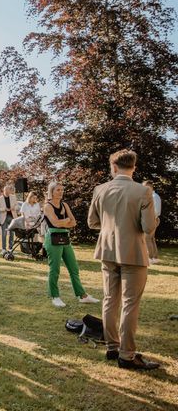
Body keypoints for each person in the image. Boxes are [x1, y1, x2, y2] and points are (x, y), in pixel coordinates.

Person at [88, 149, 159, 370]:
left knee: (110, 299)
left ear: (114, 167)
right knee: (130, 304)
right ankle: (126, 355)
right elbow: (148, 228)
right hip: (133, 254)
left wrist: (111, 228)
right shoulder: (143, 191)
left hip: (108, 251)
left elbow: (92, 222)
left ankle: (112, 346)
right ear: (134, 167)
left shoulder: (100, 189)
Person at [43, 181, 99, 308]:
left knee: (74, 268)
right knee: (55, 269)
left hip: (65, 237)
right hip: (52, 238)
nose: (61, 192)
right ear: (51, 192)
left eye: (62, 190)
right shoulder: (47, 206)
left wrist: (65, 221)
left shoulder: (64, 205)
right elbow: (55, 223)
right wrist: (66, 220)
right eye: (58, 190)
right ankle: (55, 296)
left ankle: (82, 296)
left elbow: (73, 222)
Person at [0, 184, 20, 253]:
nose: (7, 191)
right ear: (3, 191)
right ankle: (3, 249)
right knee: (4, 233)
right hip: (4, 217)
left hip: (12, 217)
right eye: (5, 190)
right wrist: (4, 209)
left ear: (10, 191)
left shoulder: (13, 197)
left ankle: (11, 248)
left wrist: (14, 208)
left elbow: (17, 206)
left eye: (8, 190)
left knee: (12, 233)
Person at [142, 181, 161, 264]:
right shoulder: (152, 196)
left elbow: (156, 211)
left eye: (144, 187)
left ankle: (150, 258)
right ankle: (155, 257)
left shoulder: (154, 196)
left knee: (147, 239)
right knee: (151, 239)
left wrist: (150, 219)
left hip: (152, 219)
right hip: (152, 219)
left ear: (149, 187)